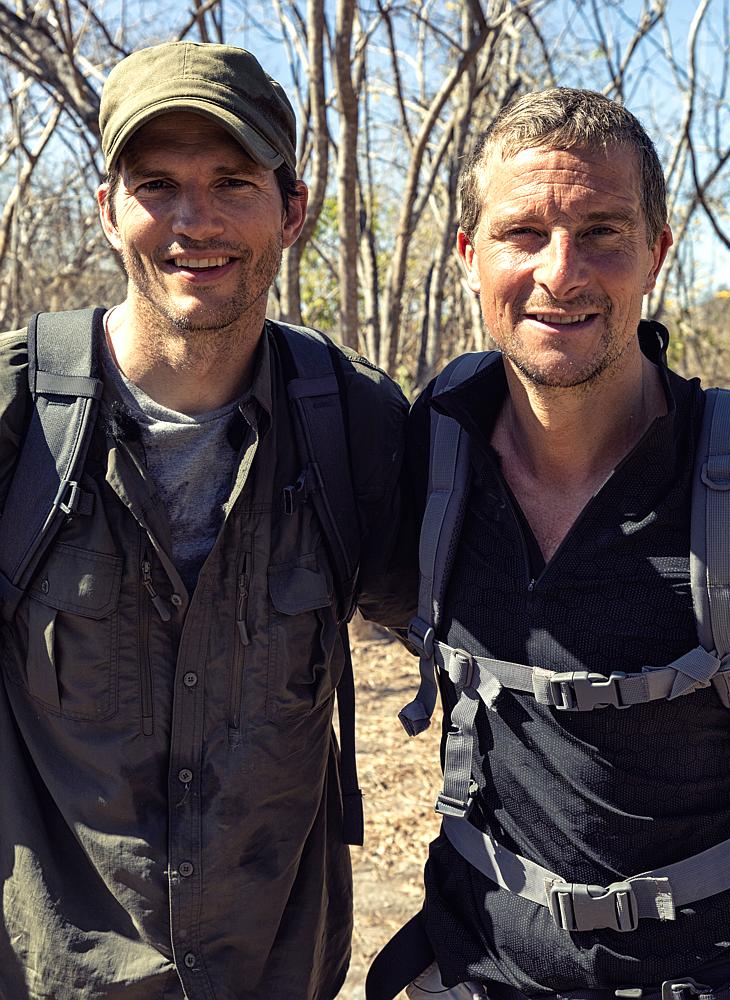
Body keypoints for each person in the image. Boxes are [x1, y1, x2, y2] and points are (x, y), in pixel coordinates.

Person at [0, 41, 415, 998]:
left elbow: (487, 652)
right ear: (108, 210)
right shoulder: (18, 415)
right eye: (158, 185)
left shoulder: (356, 424)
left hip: (275, 970)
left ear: (293, 210)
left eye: (233, 181)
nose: (196, 221)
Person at [371, 88, 730, 999]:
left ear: (657, 252)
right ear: (469, 255)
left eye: (601, 232)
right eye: (522, 233)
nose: (560, 271)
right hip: (477, 966)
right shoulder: (431, 445)